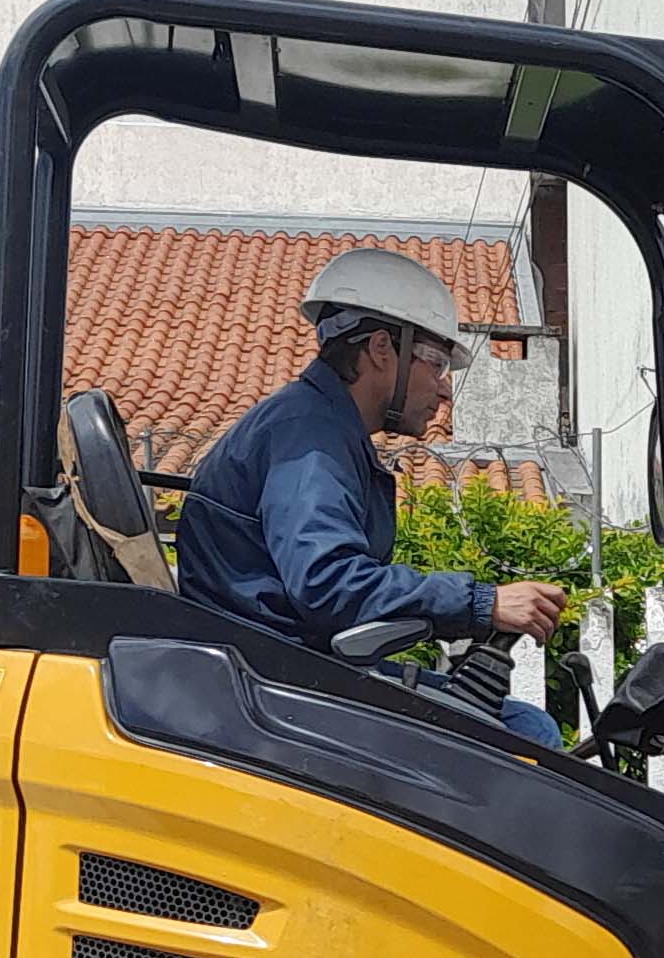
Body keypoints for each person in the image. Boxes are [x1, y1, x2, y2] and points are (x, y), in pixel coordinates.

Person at [175, 248, 567, 749]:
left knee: (511, 724)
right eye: (437, 363)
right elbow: (326, 582)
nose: (444, 390)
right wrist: (483, 603)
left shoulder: (320, 427)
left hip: (285, 672)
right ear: (382, 349)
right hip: (277, 689)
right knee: (525, 736)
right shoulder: (308, 435)